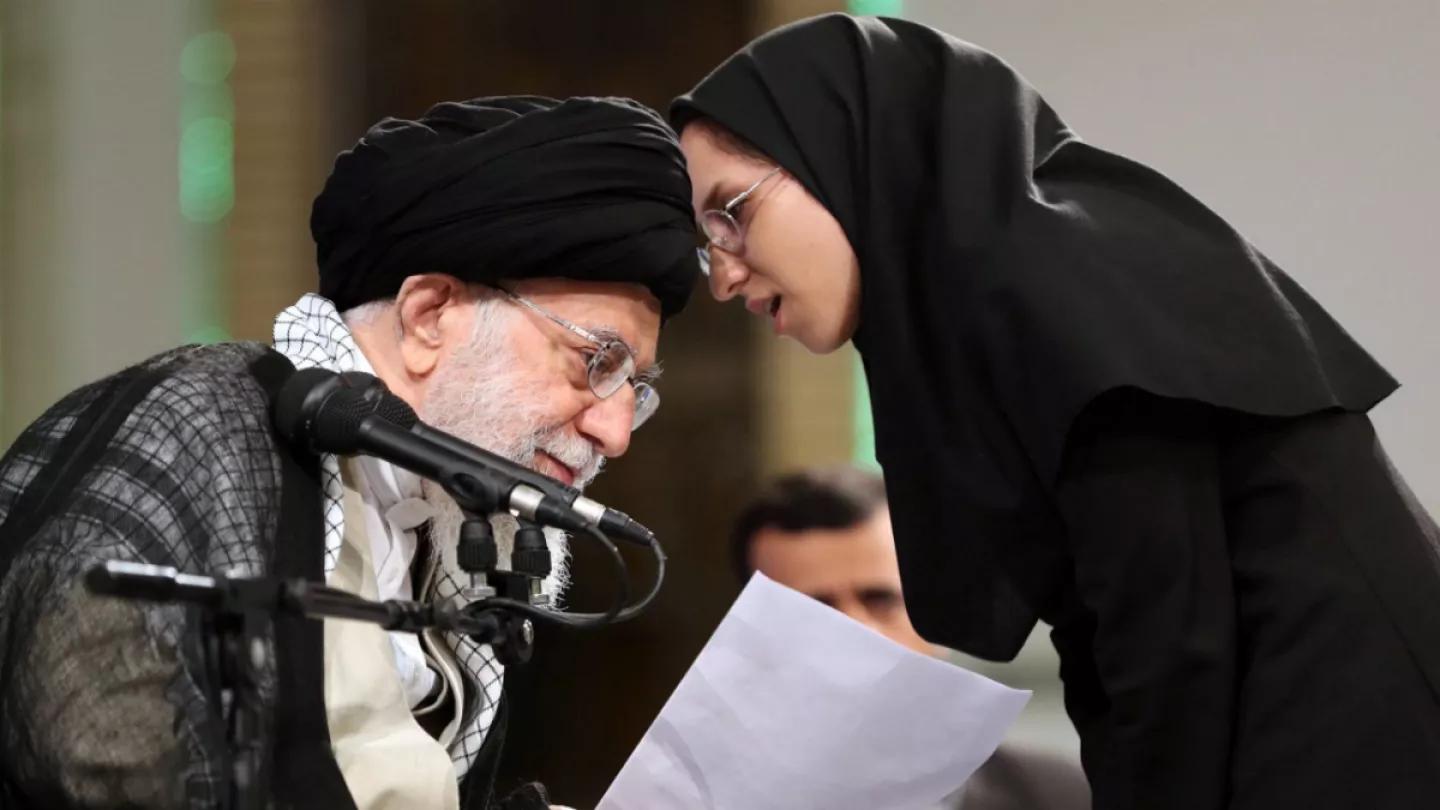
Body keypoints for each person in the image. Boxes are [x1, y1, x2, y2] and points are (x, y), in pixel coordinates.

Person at [672, 13, 1440, 809]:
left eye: (733, 212)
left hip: (1349, 734)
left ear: (842, 154)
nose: (722, 276)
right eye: (705, 240)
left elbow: (1172, 639)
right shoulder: (997, 294)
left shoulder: (1056, 283)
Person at [0, 95, 698, 810]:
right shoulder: (198, 420)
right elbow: (94, 749)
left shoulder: (446, 523)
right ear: (429, 316)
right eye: (596, 361)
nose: (614, 433)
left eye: (634, 388)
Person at [732, 465, 1090, 810]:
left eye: (881, 600)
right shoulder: (698, 798)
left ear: (941, 617)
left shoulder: (1059, 797)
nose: (857, 632)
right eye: (814, 611)